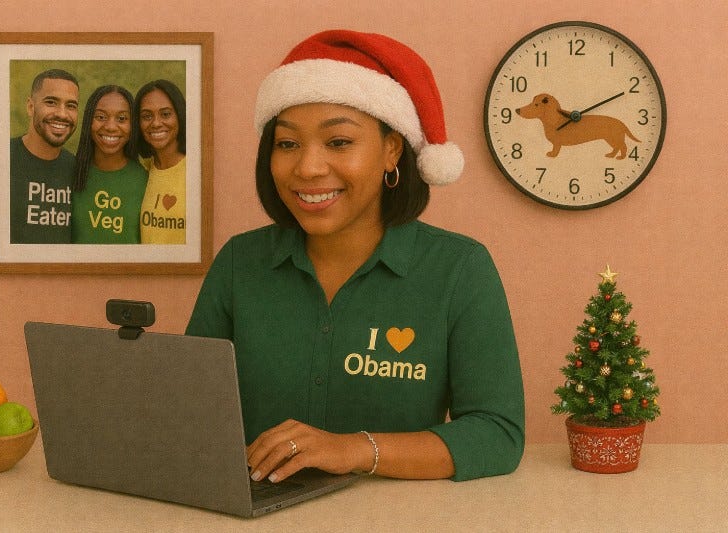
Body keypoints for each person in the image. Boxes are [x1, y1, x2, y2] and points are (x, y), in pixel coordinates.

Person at [186, 30, 524, 483]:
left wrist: (355, 449)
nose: (307, 168)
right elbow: (187, 411)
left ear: (391, 150)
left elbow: (497, 435)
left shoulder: (460, 270)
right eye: (287, 144)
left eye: (339, 142)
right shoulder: (238, 263)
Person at [70, 85, 147, 244]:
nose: (111, 127)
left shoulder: (145, 178)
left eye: (122, 119)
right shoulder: (70, 172)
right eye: (101, 117)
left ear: (132, 126)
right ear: (88, 121)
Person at [10, 69, 79, 244]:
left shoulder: (79, 170)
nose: (62, 114)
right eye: (51, 102)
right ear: (30, 107)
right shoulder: (1, 159)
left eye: (71, 106)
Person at [134, 80, 187, 244]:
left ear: (180, 115)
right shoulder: (141, 172)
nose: (156, 123)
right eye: (147, 116)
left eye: (165, 114)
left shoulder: (197, 171)